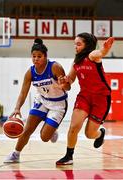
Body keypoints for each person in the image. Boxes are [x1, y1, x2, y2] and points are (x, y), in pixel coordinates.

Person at [4, 38, 70, 163]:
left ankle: (52, 129)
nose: (36, 59)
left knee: (44, 137)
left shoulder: (55, 67)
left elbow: (68, 87)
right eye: (33, 56)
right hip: (42, 101)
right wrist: (17, 108)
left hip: (58, 104)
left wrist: (64, 85)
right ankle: (15, 154)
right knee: (27, 129)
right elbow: (23, 92)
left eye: (39, 56)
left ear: (45, 56)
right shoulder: (30, 72)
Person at [56, 32, 114, 165]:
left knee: (89, 134)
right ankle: (69, 156)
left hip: (101, 98)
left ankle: (100, 134)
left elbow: (101, 53)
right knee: (74, 126)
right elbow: (69, 83)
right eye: (74, 44)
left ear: (87, 45)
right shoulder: (76, 62)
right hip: (84, 97)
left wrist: (105, 48)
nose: (75, 47)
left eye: (78, 44)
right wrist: (63, 84)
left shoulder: (92, 55)